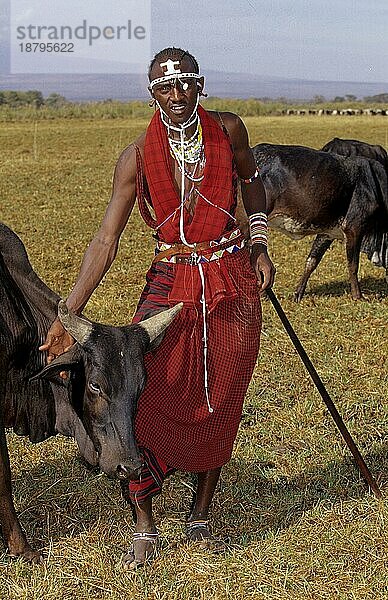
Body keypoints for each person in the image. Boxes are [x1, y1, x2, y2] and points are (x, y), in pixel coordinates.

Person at [40, 46, 275, 569]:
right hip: (171, 279)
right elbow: (107, 237)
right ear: (151, 94)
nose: (175, 96)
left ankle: (201, 514)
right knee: (142, 396)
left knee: (224, 396)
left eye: (184, 85)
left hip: (231, 277)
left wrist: (258, 243)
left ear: (201, 85)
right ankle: (145, 522)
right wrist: (66, 314)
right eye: (163, 88)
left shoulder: (229, 129)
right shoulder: (137, 156)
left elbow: (253, 183)